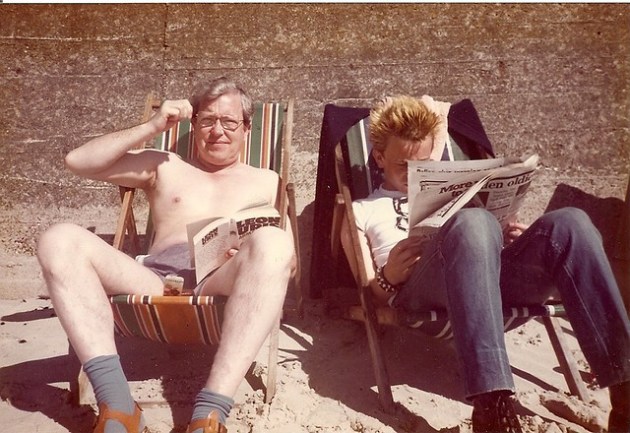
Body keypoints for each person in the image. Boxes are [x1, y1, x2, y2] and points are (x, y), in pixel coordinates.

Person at [351, 95, 630, 433]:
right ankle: (492, 406)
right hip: (421, 290)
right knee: (473, 222)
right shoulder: (361, 210)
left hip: (486, 282)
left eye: (422, 165)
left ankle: (625, 393)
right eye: (403, 166)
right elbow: (370, 294)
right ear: (379, 157)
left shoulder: (453, 190)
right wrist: (389, 276)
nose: (413, 175)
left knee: (571, 223)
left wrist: (509, 240)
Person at [36, 77, 295, 433]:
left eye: (229, 122)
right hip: (157, 280)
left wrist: (246, 255)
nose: (217, 131)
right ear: (194, 125)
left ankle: (209, 414)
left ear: (246, 129)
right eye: (207, 120)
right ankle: (119, 407)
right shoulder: (165, 165)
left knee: (273, 243)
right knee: (58, 239)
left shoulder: (267, 180)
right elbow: (77, 161)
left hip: (220, 280)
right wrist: (153, 126)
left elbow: (288, 264)